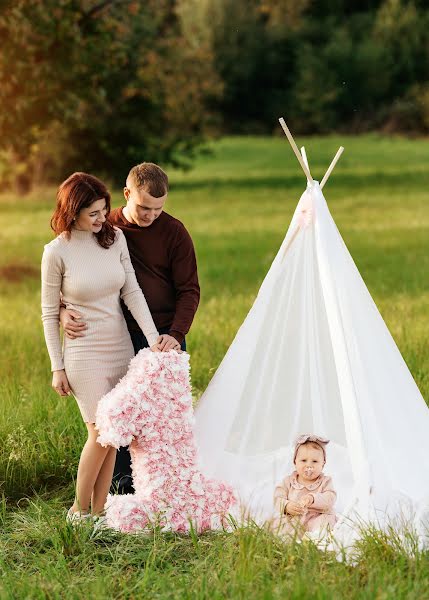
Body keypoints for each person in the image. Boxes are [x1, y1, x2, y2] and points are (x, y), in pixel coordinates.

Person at [60, 162, 200, 492]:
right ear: (126, 195)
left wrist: (176, 335)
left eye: (158, 208)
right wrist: (64, 309)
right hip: (116, 335)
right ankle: (120, 486)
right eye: (144, 207)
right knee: (119, 414)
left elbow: (189, 290)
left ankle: (164, 485)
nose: (151, 215)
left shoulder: (174, 232)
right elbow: (72, 269)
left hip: (163, 337)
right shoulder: (104, 226)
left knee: (162, 418)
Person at [41, 172, 170, 524]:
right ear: (72, 212)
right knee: (98, 432)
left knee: (114, 434)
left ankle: (100, 511)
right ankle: (78, 510)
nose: (102, 220)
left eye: (104, 210)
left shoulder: (114, 240)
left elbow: (132, 292)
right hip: (83, 353)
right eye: (93, 214)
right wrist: (57, 366)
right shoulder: (56, 252)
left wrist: (154, 336)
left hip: (119, 347)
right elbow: (49, 313)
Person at [272, 434, 337, 537]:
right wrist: (287, 506)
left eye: (315, 461)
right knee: (280, 526)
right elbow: (277, 498)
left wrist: (313, 498)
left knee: (326, 522)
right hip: (294, 518)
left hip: (317, 517)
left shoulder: (325, 481)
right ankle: (289, 542)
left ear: (323, 464)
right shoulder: (288, 481)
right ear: (295, 462)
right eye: (303, 461)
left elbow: (330, 498)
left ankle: (315, 539)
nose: (309, 465)